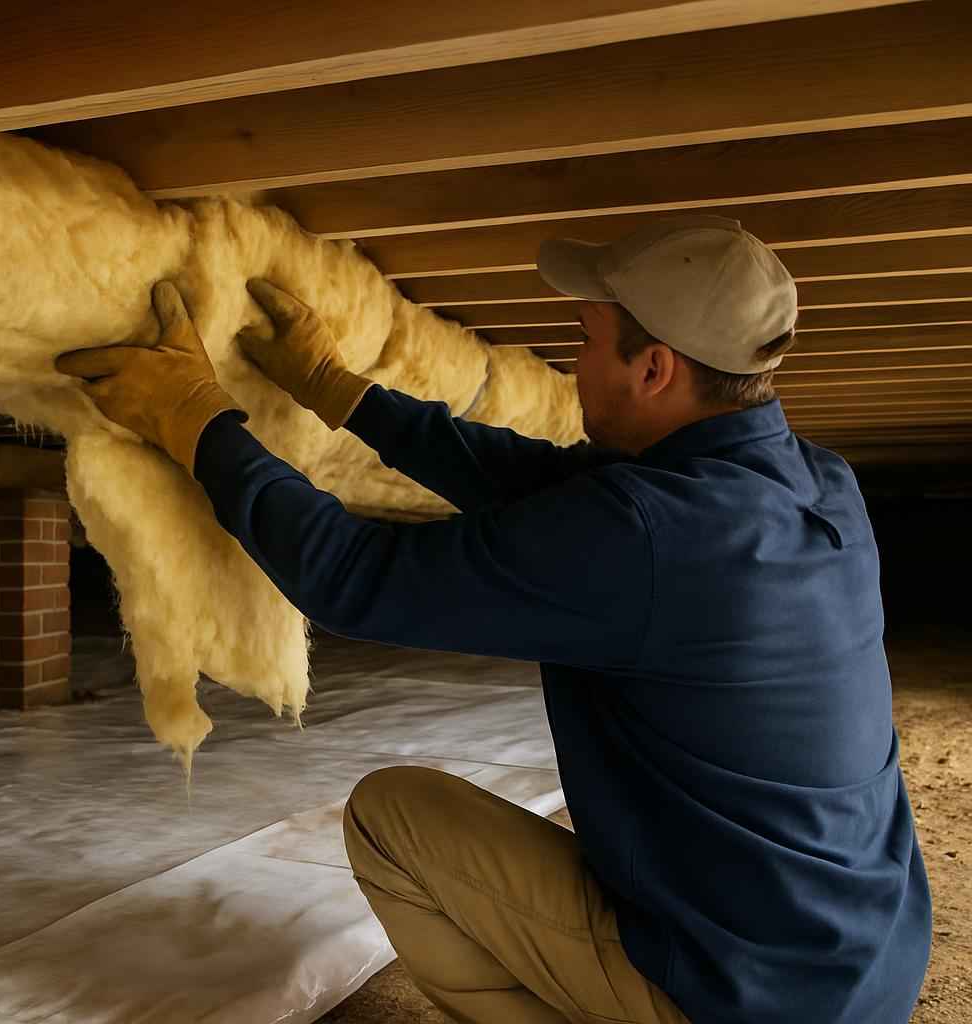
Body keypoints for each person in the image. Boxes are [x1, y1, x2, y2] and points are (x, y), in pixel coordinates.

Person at [54, 213, 930, 1024]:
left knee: (390, 819)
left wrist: (197, 420)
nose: (573, 361)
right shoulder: (818, 482)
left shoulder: (652, 535)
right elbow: (539, 485)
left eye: (585, 341)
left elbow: (356, 577)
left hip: (749, 997)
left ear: (655, 368)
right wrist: (340, 392)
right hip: (863, 962)